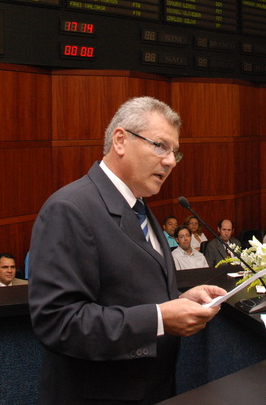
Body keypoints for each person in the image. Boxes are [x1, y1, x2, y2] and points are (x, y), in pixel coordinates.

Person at [28, 96, 225, 405]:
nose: (171, 161)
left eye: (175, 152)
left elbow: (130, 291)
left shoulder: (139, 206)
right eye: (160, 146)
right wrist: (159, 318)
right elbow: (59, 323)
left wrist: (179, 301)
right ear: (120, 141)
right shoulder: (69, 208)